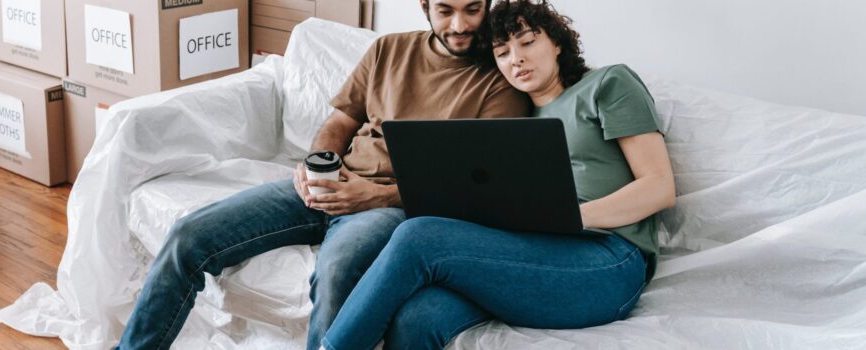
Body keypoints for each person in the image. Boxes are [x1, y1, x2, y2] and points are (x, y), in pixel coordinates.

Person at [115, 0, 531, 348]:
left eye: (473, 9)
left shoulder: (502, 80)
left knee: (335, 273)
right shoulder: (389, 50)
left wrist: (375, 196)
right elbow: (339, 122)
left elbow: (477, 184)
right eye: (445, 10)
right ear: (424, 6)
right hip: (332, 183)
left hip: (391, 206)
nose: (459, 25)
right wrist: (319, 164)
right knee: (189, 235)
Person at [319, 1, 676, 349]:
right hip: (533, 253)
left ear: (556, 42)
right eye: (501, 51)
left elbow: (659, 187)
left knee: (418, 236)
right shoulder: (514, 123)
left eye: (527, 41)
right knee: (418, 316)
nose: (515, 58)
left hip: (608, 260)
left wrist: (570, 217)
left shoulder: (608, 83)